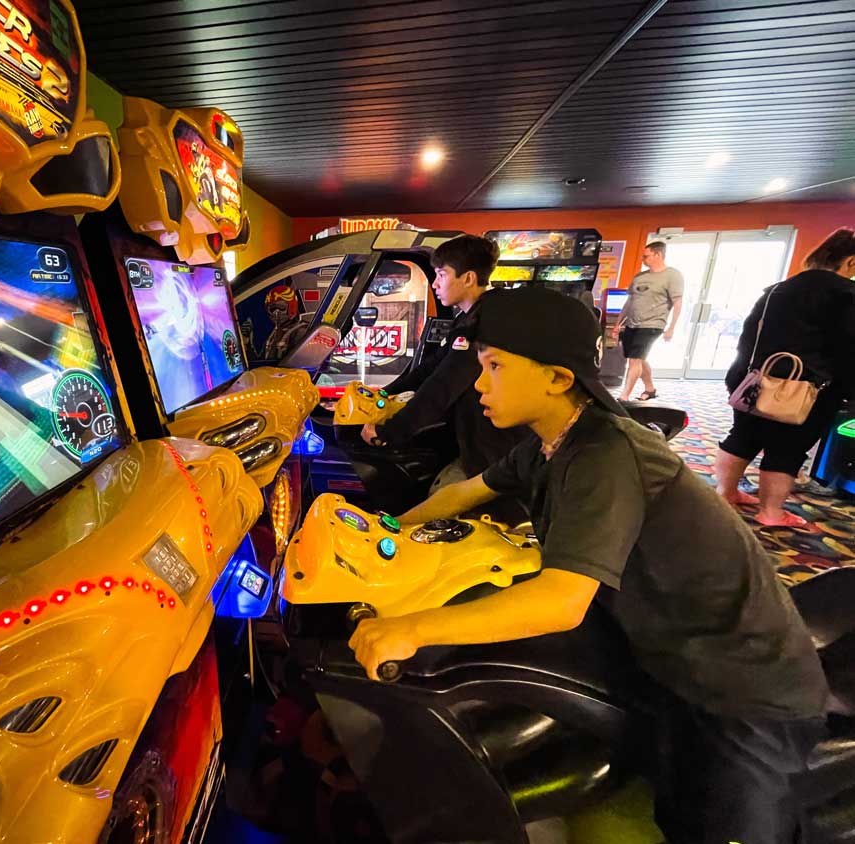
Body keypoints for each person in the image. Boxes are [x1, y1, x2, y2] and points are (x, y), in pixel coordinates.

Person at [349, 286, 827, 844]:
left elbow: (561, 599)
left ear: (556, 378)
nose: (478, 384)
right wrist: (381, 532)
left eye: (495, 366)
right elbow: (465, 493)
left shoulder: (605, 453)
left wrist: (409, 629)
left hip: (744, 689)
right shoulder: (553, 442)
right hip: (660, 655)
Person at [714, 229, 855, 527]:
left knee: (741, 436)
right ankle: (771, 512)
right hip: (808, 387)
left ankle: (725, 492)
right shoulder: (845, 295)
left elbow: (749, 335)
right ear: (851, 262)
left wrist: (740, 377)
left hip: (754, 380)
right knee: (788, 449)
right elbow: (847, 348)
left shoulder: (778, 289)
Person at [360, 235, 526, 481]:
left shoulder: (484, 323)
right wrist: (385, 393)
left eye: (442, 275)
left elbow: (444, 385)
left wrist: (389, 432)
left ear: (468, 278)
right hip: (478, 439)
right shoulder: (470, 316)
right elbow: (433, 365)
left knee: (440, 499)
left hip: (493, 453)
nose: (435, 284)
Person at [613, 241, 684, 401]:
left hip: (653, 324)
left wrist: (672, 327)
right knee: (638, 358)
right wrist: (618, 323)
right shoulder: (640, 277)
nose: (643, 259)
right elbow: (629, 302)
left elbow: (677, 302)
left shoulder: (672, 275)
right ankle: (650, 389)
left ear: (658, 255)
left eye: (646, 256)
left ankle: (624, 397)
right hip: (632, 323)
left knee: (634, 360)